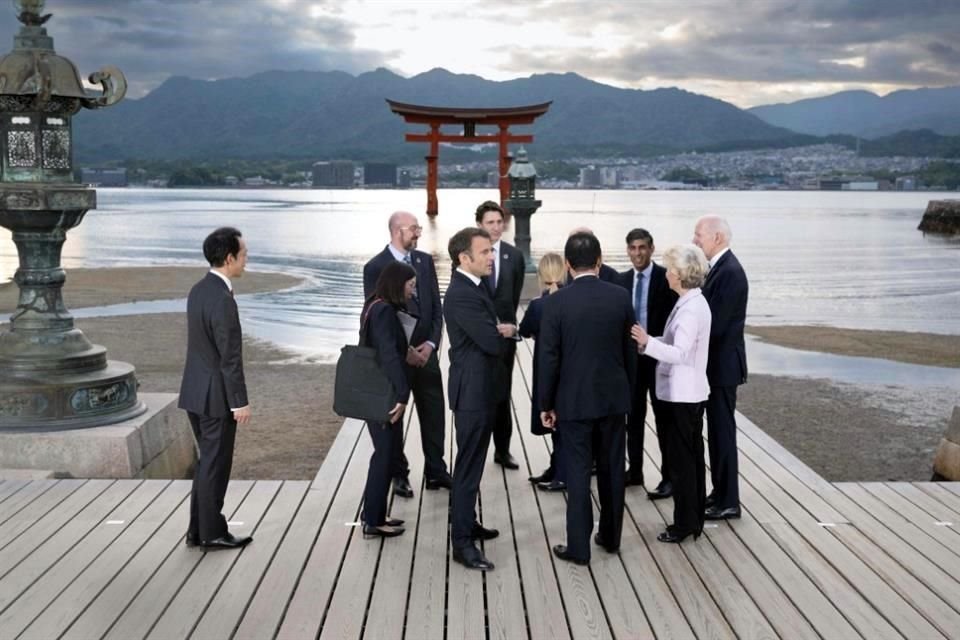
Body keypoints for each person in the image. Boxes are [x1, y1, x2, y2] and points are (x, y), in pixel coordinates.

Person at [539, 232, 635, 565]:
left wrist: (545, 405)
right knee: (611, 469)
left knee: (578, 473)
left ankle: (578, 547)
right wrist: (629, 395)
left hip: (573, 402)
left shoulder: (556, 303)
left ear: (566, 265)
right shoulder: (620, 297)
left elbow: (548, 358)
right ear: (599, 261)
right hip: (612, 400)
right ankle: (610, 537)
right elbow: (629, 354)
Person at [364, 211, 453, 498]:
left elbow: (436, 309)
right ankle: (399, 475)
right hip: (397, 359)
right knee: (395, 416)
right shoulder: (374, 266)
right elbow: (378, 315)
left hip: (426, 354)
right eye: (414, 228)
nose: (418, 233)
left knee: (434, 411)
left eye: (418, 228)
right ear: (396, 231)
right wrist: (405, 352)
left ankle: (436, 470)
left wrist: (431, 344)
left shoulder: (424, 261)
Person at [443, 227, 516, 571]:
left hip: (482, 389)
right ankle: (461, 544)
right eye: (484, 252)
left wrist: (497, 330)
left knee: (471, 465)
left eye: (490, 250)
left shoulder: (474, 286)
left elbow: (490, 331)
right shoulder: (461, 294)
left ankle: (468, 523)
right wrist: (500, 332)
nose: (491, 257)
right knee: (469, 469)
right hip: (473, 392)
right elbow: (490, 341)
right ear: (464, 258)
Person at [178, 227, 253, 551]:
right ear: (229, 258)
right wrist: (239, 402)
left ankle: (198, 531)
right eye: (244, 255)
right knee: (215, 466)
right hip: (216, 396)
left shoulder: (199, 289)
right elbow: (229, 357)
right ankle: (212, 534)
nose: (246, 261)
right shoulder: (222, 299)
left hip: (194, 391)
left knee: (206, 463)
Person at [631, 245, 712, 543]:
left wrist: (646, 342)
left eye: (669, 270)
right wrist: (649, 340)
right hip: (685, 394)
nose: (665, 275)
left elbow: (679, 352)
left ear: (678, 274)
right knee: (689, 460)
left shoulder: (691, 309)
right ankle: (693, 519)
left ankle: (683, 524)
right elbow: (671, 340)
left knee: (682, 463)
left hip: (683, 396)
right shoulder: (689, 303)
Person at [693, 215, 748, 520]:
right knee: (715, 433)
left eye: (698, 234)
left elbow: (716, 325)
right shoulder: (719, 269)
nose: (695, 240)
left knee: (722, 433)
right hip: (717, 366)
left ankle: (729, 501)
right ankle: (719, 492)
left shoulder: (730, 272)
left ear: (717, 237)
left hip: (722, 368)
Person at [618, 228, 678, 497]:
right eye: (633, 248)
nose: (638, 253)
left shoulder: (666, 280)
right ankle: (635, 471)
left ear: (651, 249)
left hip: (658, 358)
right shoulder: (621, 281)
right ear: (628, 250)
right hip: (631, 361)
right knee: (633, 417)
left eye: (642, 247)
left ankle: (669, 477)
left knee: (664, 419)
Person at [359, 261, 415, 538]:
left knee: (387, 452)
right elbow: (389, 355)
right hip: (383, 394)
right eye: (410, 285)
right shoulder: (383, 311)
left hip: (374, 391)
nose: (412, 292)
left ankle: (375, 513)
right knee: (383, 455)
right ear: (397, 283)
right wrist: (403, 394)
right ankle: (372, 520)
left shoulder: (374, 305)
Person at [475, 200, 526, 471]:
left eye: (499, 222)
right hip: (478, 339)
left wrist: (509, 324)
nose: (496, 227)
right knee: (478, 394)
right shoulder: (469, 255)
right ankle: (476, 450)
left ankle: (502, 450)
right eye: (490, 223)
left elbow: (513, 295)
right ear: (480, 226)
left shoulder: (514, 256)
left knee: (502, 395)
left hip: (505, 337)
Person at [518, 252, 567, 492]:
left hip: (546, 367)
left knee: (552, 417)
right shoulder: (570, 299)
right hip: (569, 368)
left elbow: (524, 330)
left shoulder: (539, 305)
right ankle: (557, 467)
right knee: (564, 419)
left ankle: (561, 472)